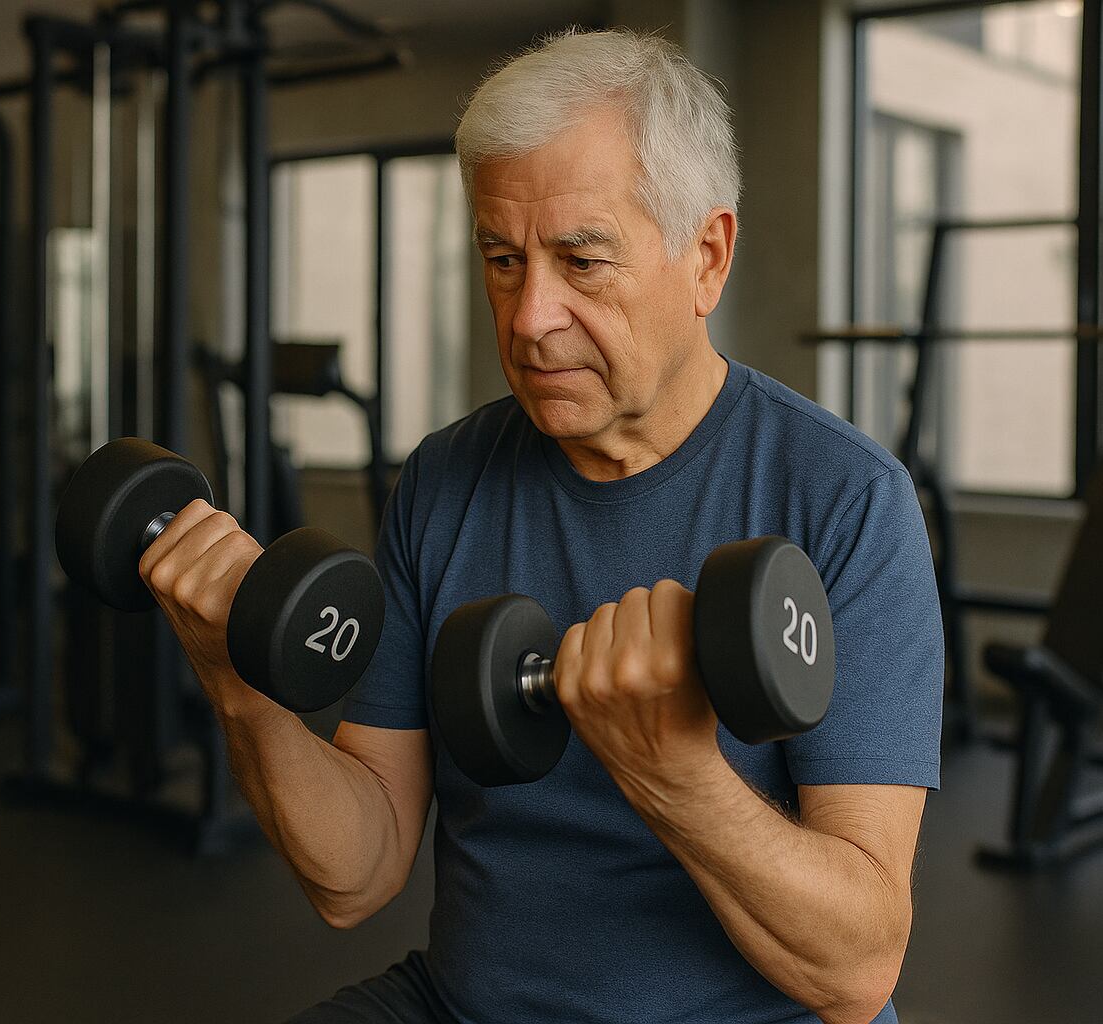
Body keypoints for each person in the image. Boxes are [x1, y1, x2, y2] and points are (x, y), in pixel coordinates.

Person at [140, 28, 943, 1024]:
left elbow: (857, 967)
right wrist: (241, 683)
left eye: (580, 260)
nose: (528, 316)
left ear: (707, 256)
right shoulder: (446, 479)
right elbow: (359, 872)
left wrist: (672, 772)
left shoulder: (845, 500)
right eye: (502, 258)